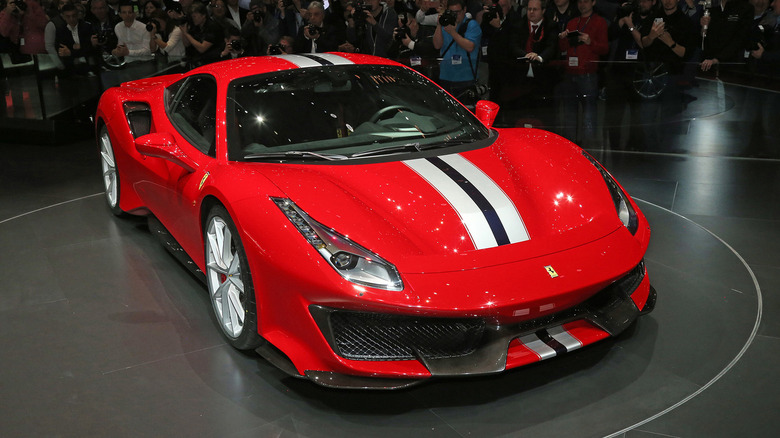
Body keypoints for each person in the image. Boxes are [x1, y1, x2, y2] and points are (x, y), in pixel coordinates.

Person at [557, 0, 608, 143]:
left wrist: (590, 41)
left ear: (593, 2)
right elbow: (562, 48)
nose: (582, 4)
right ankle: (570, 146)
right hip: (570, 72)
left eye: (586, 1)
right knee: (569, 114)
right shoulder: (572, 22)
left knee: (589, 115)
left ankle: (589, 148)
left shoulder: (599, 22)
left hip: (588, 74)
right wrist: (562, 38)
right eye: (579, 1)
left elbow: (604, 49)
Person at [434, 0, 482, 103]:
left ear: (464, 10)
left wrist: (452, 32)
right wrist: (439, 25)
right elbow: (437, 45)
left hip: (465, 78)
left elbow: (469, 47)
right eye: (452, 12)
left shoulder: (472, 25)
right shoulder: (446, 25)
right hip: (445, 77)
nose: (455, 15)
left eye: (457, 12)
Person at [699, 0, 753, 72]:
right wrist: (704, 28)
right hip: (708, 63)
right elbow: (703, 38)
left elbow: (740, 38)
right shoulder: (712, 6)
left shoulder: (745, 8)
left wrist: (718, 59)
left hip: (732, 64)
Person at [387, 10, 438, 76]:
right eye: (401, 27)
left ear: (414, 22)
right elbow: (390, 55)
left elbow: (430, 49)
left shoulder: (428, 31)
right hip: (407, 74)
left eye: (405, 26)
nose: (404, 29)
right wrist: (395, 41)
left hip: (426, 73)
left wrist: (410, 44)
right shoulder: (402, 35)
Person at [181, 1, 223, 65]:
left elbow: (202, 48)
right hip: (199, 61)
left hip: (214, 62)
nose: (193, 19)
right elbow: (187, 44)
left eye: (194, 16)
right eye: (192, 17)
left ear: (203, 15)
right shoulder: (196, 27)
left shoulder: (212, 26)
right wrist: (184, 32)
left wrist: (187, 34)